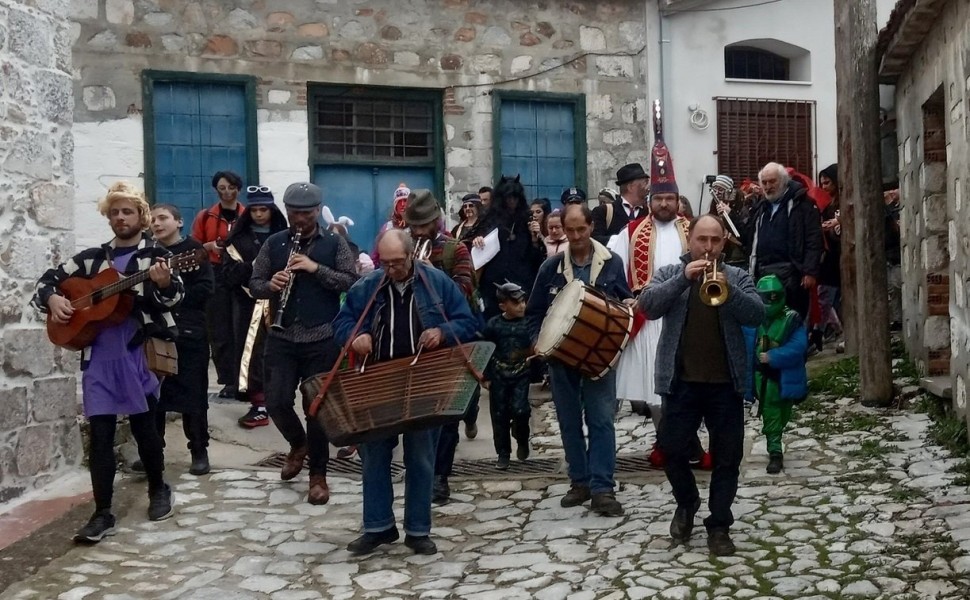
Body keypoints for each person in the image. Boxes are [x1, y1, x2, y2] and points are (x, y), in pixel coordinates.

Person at [34, 182, 182, 543]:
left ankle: (158, 488)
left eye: (127, 211)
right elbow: (46, 282)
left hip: (137, 352)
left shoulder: (155, 256)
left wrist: (161, 285)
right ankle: (102, 513)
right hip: (97, 356)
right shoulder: (90, 259)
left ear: (141, 216)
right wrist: (54, 300)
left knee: (145, 428)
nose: (120, 217)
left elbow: (175, 296)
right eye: (114, 212)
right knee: (99, 437)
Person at [334, 229, 480, 556]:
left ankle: (418, 530)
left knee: (421, 457)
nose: (391, 270)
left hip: (425, 379)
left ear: (411, 256)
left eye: (397, 263)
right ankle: (378, 527)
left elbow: (467, 323)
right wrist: (353, 338)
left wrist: (442, 332)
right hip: (379, 380)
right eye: (384, 264)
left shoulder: (437, 282)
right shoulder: (367, 285)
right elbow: (342, 323)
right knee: (373, 454)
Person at [640, 214, 764, 556]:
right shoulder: (669, 272)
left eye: (715, 241)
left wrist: (729, 289)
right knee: (670, 449)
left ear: (724, 243)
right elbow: (647, 306)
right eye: (702, 240)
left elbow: (756, 314)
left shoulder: (737, 275)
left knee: (728, 457)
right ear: (689, 241)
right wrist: (683, 278)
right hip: (681, 383)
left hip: (726, 384)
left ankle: (719, 524)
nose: (708, 248)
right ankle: (687, 501)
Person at [249, 182, 359, 505]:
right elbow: (254, 283)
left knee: (317, 409)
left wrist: (315, 269)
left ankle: (318, 475)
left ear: (317, 211)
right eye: (295, 213)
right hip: (281, 336)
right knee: (277, 401)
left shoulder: (335, 243)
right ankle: (298, 445)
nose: (300, 220)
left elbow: (351, 281)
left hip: (322, 336)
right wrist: (271, 283)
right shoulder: (274, 244)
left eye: (307, 214)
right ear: (287, 212)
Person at [526, 204, 633, 517]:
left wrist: (627, 304)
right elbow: (533, 313)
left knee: (601, 420)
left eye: (580, 230)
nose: (575, 236)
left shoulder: (612, 263)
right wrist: (538, 342)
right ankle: (579, 482)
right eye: (570, 231)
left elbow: (624, 298)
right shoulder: (550, 268)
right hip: (562, 358)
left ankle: (603, 488)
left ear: (590, 228)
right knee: (569, 422)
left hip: (600, 355)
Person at [607, 136, 707, 469]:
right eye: (659, 198)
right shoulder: (630, 231)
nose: (665, 204)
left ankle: (678, 443)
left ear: (678, 201)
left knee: (686, 386)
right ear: (650, 200)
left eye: (670, 198)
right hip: (649, 319)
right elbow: (613, 269)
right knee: (654, 391)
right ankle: (672, 443)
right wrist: (623, 297)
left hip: (686, 317)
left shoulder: (691, 229)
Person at [403, 190, 480, 505]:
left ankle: (440, 476)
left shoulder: (455, 249)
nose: (419, 232)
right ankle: (420, 469)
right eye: (414, 226)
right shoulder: (403, 247)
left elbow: (464, 289)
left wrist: (430, 274)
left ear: (436, 221)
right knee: (419, 412)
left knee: (448, 416)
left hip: (448, 339)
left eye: (424, 225)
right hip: (413, 341)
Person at [149, 204, 215, 475]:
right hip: (155, 331)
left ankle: (199, 450)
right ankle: (153, 452)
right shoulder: (147, 252)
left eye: (163, 218)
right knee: (153, 396)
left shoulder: (193, 251)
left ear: (178, 221)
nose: (157, 224)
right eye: (152, 220)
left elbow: (206, 289)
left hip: (189, 331)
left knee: (194, 395)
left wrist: (173, 288)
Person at [222, 186, 289, 427]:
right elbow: (228, 274)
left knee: (281, 354)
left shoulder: (286, 237)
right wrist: (254, 268)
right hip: (247, 303)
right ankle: (258, 403)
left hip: (283, 303)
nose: (260, 214)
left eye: (264, 209)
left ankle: (280, 402)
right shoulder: (237, 241)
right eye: (255, 210)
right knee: (251, 353)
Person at [192, 170, 246, 399]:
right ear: (216, 189)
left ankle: (244, 380)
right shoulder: (205, 216)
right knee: (220, 331)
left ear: (238, 189)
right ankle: (227, 381)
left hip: (242, 274)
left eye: (231, 187)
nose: (227, 192)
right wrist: (209, 247)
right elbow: (192, 248)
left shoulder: (248, 215)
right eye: (222, 187)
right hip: (215, 273)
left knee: (242, 329)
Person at [745, 162, 822, 320]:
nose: (768, 186)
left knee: (793, 321)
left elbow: (813, 239)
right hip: (764, 273)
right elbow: (749, 237)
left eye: (772, 181)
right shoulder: (761, 208)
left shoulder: (803, 204)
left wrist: (809, 271)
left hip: (793, 275)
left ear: (783, 181)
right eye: (764, 182)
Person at [748, 275, 808, 474]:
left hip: (785, 375)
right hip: (764, 377)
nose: (770, 302)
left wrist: (774, 356)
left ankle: (776, 437)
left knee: (783, 414)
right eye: (766, 298)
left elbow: (798, 347)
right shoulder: (752, 319)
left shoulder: (791, 319)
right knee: (771, 412)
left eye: (774, 297)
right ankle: (775, 450)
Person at [477, 175, 545, 320]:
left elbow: (535, 259)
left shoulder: (527, 218)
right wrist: (478, 241)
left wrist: (534, 239)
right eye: (509, 197)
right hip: (495, 280)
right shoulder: (489, 219)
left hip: (522, 280)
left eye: (515, 197)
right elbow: (481, 248)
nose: (512, 201)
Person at [482, 282, 533, 470]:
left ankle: (522, 438)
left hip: (521, 373)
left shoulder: (529, 323)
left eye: (522, 301)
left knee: (521, 410)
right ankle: (503, 453)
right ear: (503, 305)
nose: (521, 306)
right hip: (498, 375)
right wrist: (485, 376)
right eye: (515, 302)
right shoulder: (493, 325)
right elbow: (485, 350)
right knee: (499, 414)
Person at [816, 164, 843, 345]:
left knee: (826, 297)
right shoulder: (826, 205)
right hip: (828, 254)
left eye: (828, 183)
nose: (824, 187)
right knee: (825, 297)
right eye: (822, 184)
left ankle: (820, 330)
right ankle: (834, 328)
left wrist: (836, 226)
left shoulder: (842, 204)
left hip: (837, 257)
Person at [592, 163, 649, 245]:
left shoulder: (649, 213)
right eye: (644, 183)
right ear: (631, 187)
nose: (647, 188)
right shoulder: (604, 212)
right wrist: (623, 239)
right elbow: (594, 241)